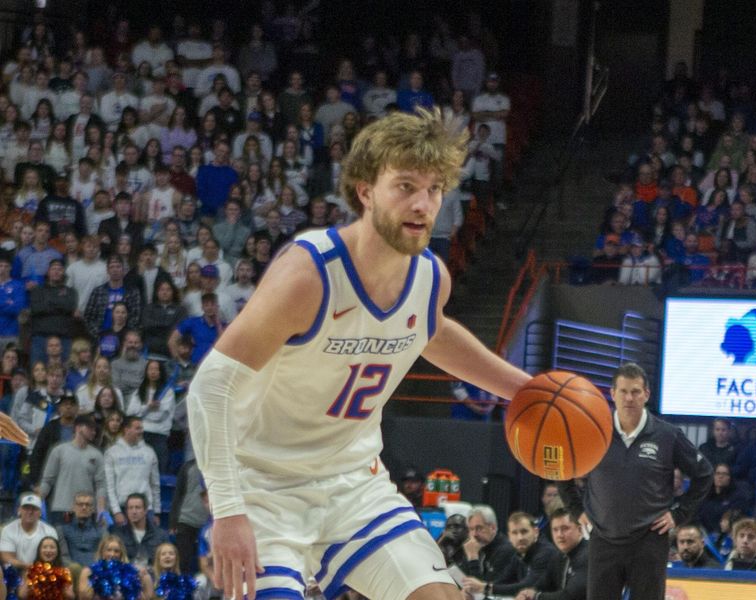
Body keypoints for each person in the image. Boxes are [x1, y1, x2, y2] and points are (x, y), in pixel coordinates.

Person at [186, 109, 531, 600]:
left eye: (434, 189)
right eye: (405, 186)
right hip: (264, 488)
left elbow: (428, 332)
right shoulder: (309, 275)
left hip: (354, 485)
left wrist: (525, 390)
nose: (422, 204)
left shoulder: (431, 277)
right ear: (365, 190)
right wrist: (227, 509)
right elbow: (211, 386)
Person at [559, 362, 713, 600]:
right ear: (612, 394)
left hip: (649, 541)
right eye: (623, 391)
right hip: (603, 539)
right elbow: (561, 471)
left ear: (646, 395)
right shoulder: (593, 431)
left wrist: (679, 514)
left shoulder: (668, 435)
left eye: (635, 391)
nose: (629, 398)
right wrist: (576, 509)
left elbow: (704, 474)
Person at [37, 414, 106, 524]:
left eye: (95, 429)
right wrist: (37, 503)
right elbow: (47, 481)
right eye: (90, 428)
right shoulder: (59, 451)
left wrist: (101, 510)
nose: (94, 432)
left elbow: (100, 485)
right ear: (78, 428)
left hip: (87, 510)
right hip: (62, 508)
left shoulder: (97, 455)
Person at [513, 508, 588, 600]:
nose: (559, 535)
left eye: (565, 528)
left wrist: (536, 596)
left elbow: (570, 596)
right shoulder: (559, 556)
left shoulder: (588, 555)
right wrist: (526, 593)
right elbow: (543, 584)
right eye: (555, 530)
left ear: (580, 530)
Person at [104, 416, 161, 525]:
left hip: (145, 510)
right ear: (126, 429)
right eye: (137, 428)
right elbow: (109, 486)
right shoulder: (112, 452)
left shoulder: (149, 452)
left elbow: (155, 484)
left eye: (141, 428)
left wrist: (156, 512)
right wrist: (116, 511)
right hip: (122, 509)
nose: (141, 431)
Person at [491, 512, 557, 598]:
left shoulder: (546, 552)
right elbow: (502, 580)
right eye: (514, 533)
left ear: (536, 532)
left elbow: (527, 586)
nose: (520, 538)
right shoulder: (518, 555)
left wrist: (487, 588)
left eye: (524, 532)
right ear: (509, 536)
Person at [458, 505, 519, 597]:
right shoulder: (473, 547)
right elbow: (463, 581)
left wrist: (473, 558)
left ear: (493, 527)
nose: (474, 534)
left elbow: (483, 591)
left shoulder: (507, 550)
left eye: (479, 528)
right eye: (471, 529)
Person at [77, 534, 153, 600]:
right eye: (109, 550)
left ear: (121, 554)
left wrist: (142, 577)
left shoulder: (129, 573)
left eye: (116, 551)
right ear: (102, 552)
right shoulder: (89, 572)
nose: (112, 554)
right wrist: (94, 581)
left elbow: (146, 596)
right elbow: (83, 597)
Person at [0, 492, 58, 570]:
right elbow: (7, 558)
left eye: (34, 509)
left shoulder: (50, 531)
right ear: (19, 510)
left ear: (40, 512)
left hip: (42, 571)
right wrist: (28, 567)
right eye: (26, 508)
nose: (30, 512)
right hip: (15, 572)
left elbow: (54, 557)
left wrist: (36, 569)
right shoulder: (8, 530)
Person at [111, 493, 169, 568]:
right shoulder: (118, 535)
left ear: (145, 510)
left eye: (137, 508)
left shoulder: (161, 535)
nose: (134, 512)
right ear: (126, 511)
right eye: (130, 508)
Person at [57, 492, 108, 567]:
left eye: (88, 505)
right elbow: (63, 556)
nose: (84, 507)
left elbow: (105, 554)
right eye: (80, 504)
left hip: (95, 571)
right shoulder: (62, 530)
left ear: (92, 508)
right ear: (73, 507)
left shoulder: (101, 530)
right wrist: (75, 569)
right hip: (72, 571)